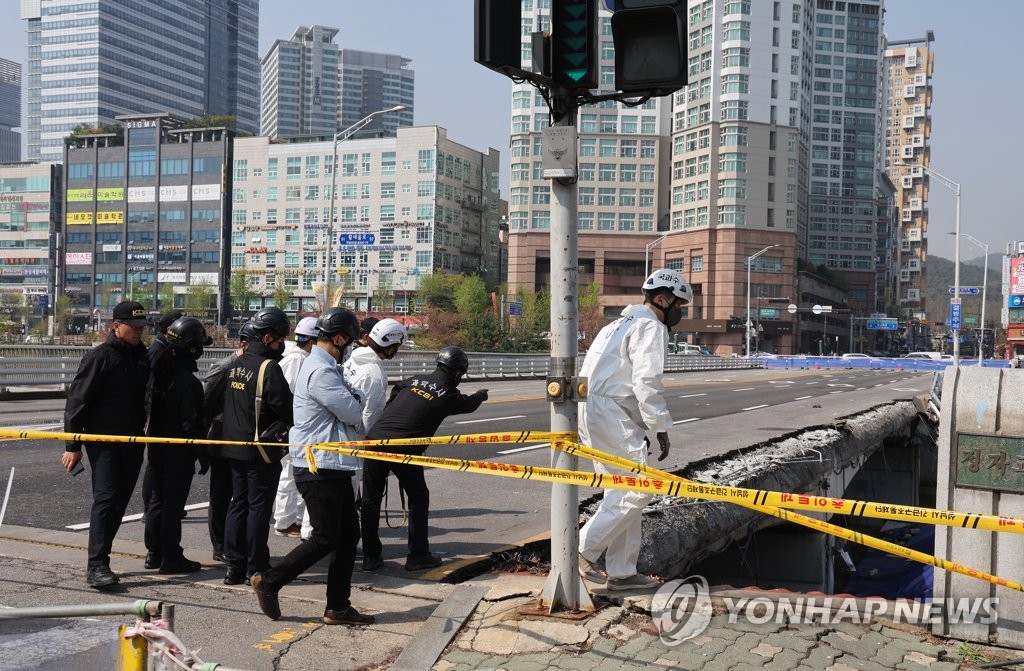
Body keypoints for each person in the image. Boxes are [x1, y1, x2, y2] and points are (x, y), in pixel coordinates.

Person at [251, 308, 374, 626]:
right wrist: (357, 395)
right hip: (320, 465)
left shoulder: (325, 367)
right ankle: (270, 582)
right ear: (339, 338)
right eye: (348, 341)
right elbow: (351, 412)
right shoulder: (321, 371)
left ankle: (338, 607)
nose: (349, 348)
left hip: (332, 464)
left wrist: (350, 396)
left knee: (348, 536)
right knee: (325, 537)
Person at [577, 268, 691, 591]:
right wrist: (660, 427)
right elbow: (647, 382)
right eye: (678, 304)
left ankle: (622, 572)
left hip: (593, 410)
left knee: (621, 490)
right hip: (611, 413)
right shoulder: (650, 327)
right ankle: (582, 550)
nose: (679, 311)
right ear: (662, 299)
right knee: (639, 488)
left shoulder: (617, 324)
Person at [360, 346, 487, 572]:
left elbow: (394, 395)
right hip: (404, 447)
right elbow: (468, 405)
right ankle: (418, 555)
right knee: (418, 497)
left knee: (370, 501)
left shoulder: (413, 379)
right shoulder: (449, 395)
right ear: (457, 374)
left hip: (375, 439)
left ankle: (371, 557)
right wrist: (481, 395)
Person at [61, 300, 151, 588]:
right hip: (103, 442)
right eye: (133, 327)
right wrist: (73, 445)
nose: (138, 332)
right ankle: (96, 565)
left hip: (133, 441)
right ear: (115, 326)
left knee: (120, 502)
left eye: (142, 327)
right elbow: (77, 401)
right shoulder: (100, 357)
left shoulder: (143, 356)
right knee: (106, 499)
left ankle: (104, 558)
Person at [212, 306, 293, 586]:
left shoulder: (237, 364)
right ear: (269, 337)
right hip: (260, 449)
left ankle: (233, 565)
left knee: (238, 504)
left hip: (233, 446)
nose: (283, 344)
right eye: (281, 338)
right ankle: (255, 566)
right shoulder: (269, 368)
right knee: (258, 508)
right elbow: (288, 409)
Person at [144, 316, 212, 574]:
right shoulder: (188, 382)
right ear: (192, 348)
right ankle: (171, 555)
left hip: (157, 446)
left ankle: (154, 552)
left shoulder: (158, 371)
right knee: (172, 505)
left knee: (157, 501)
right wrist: (202, 454)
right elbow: (191, 424)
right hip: (179, 452)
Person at [202, 320, 256, 563]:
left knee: (241, 493)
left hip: (243, 439)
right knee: (222, 492)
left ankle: (236, 543)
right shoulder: (224, 367)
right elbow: (205, 404)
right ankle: (220, 544)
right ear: (244, 345)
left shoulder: (257, 366)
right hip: (221, 438)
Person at [273, 315, 319, 539]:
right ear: (312, 342)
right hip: (293, 429)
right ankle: (284, 520)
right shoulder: (297, 361)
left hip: (297, 428)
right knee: (289, 474)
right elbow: (287, 397)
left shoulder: (298, 358)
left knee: (294, 474)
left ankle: (293, 518)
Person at [142, 309, 184, 521]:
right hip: (155, 412)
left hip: (159, 411)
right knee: (154, 462)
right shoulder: (158, 350)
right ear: (169, 329)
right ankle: (149, 506)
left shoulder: (165, 348)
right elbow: (149, 384)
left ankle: (154, 505)